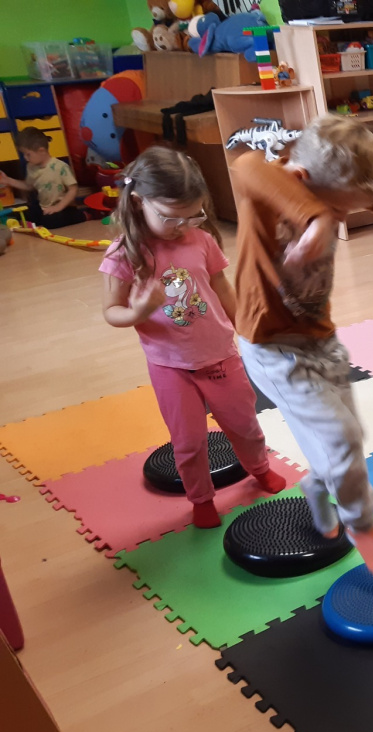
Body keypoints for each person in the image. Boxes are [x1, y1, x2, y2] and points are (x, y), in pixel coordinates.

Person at [228, 114, 373, 581]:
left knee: (350, 435)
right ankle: (361, 526)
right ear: (300, 178)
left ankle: (317, 484)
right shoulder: (262, 194)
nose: (341, 219)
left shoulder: (333, 185)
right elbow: (245, 165)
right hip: (273, 351)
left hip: (321, 341)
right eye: (338, 211)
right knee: (342, 439)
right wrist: (317, 217)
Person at [98, 146, 286, 528]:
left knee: (245, 424)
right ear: (138, 202)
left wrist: (247, 327)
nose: (182, 226)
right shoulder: (124, 254)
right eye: (171, 217)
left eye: (193, 215)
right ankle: (201, 499)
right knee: (188, 442)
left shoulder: (200, 240)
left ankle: (260, 468)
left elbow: (222, 287)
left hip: (220, 355)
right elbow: (111, 311)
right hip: (170, 366)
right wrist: (136, 313)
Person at [0, 128, 86, 229]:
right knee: (22, 214)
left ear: (41, 151)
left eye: (28, 154)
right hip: (43, 206)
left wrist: (58, 207)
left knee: (49, 221)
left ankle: (82, 216)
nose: (25, 158)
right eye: (24, 154)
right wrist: (8, 180)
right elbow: (29, 186)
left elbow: (73, 189)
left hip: (64, 207)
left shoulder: (60, 167)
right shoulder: (31, 167)